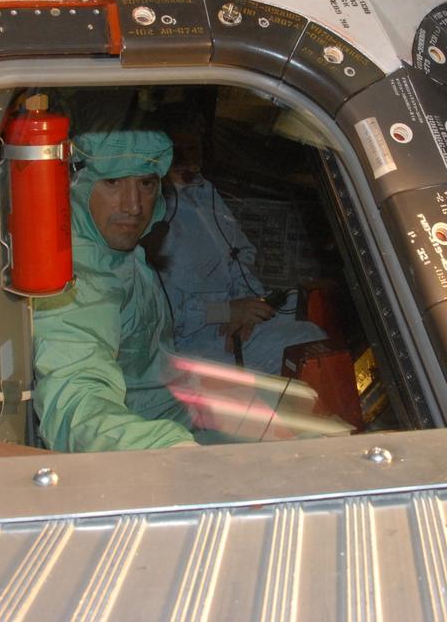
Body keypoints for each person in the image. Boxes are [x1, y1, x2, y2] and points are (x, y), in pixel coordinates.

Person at [32, 129, 196, 452]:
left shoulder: (119, 252)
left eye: (146, 184)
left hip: (180, 412)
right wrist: (167, 451)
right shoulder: (78, 275)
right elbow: (76, 400)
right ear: (78, 185)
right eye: (113, 182)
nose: (133, 206)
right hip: (145, 438)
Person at [155, 123, 324, 375]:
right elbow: (163, 315)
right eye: (177, 151)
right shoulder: (157, 213)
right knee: (304, 349)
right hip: (193, 341)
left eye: (192, 148)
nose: (186, 158)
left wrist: (248, 309)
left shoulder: (204, 192)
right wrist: (228, 311)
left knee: (311, 319)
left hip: (237, 315)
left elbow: (240, 253)